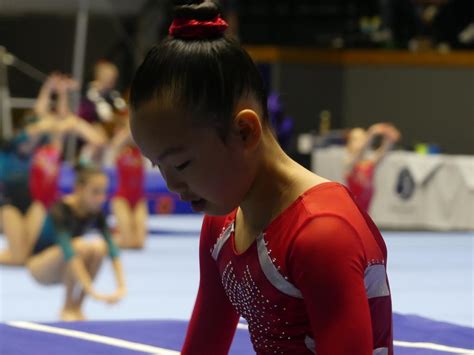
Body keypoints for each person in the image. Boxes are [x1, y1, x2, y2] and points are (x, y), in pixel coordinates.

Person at [129, 1, 393, 354]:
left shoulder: (321, 234)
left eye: (181, 164)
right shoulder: (221, 227)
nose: (172, 185)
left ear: (244, 131)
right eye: (157, 167)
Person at [25, 165, 126, 321]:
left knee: (99, 247)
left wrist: (121, 287)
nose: (101, 198)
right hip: (40, 267)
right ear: (79, 189)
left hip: (67, 263)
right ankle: (66, 308)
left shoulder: (95, 212)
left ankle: (77, 308)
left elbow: (112, 250)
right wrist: (94, 292)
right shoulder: (60, 210)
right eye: (95, 192)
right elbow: (69, 253)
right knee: (79, 246)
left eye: (103, 192)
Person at [108, 122, 148, 249]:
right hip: (121, 199)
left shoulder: (142, 151)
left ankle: (116, 232)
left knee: (138, 244)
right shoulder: (118, 152)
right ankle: (107, 241)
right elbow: (116, 143)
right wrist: (126, 130)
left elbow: (142, 137)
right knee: (127, 243)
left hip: (139, 199)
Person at [345, 123, 401, 212]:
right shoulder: (348, 162)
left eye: (362, 139)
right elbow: (360, 151)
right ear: (349, 143)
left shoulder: (369, 163)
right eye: (356, 139)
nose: (360, 142)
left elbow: (384, 150)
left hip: (366, 212)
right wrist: (371, 133)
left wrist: (389, 137)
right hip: (353, 212)